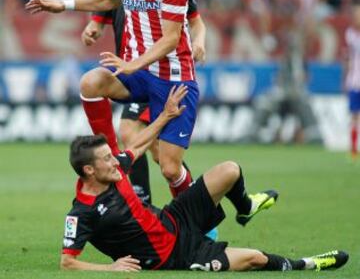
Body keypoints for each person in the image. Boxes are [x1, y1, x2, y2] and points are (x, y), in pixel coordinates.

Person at [60, 87, 348, 272]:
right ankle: (308, 265)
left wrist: (165, 116)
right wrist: (112, 269)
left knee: (230, 170)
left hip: (175, 219)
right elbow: (68, 262)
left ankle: (245, 207)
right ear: (88, 171)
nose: (115, 161)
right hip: (174, 257)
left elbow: (136, 144)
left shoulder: (114, 169)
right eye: (107, 159)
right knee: (255, 259)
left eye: (112, 157)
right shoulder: (81, 212)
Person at [26, 0, 201, 198]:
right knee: (91, 83)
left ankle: (201, 227)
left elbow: (171, 39)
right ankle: (112, 156)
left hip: (173, 77)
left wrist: (134, 64)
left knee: (169, 168)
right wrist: (63, 4)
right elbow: (108, 0)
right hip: (138, 72)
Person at [81, 0, 206, 203]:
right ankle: (142, 202)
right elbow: (100, 17)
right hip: (133, 73)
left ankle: (195, 211)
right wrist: (92, 29)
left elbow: (196, 22)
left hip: (165, 73)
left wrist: (199, 41)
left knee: (163, 159)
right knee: (135, 137)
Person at [344, 4, 360, 158]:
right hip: (355, 82)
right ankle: (354, 149)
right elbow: (347, 58)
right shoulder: (350, 35)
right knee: (354, 116)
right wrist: (345, 79)